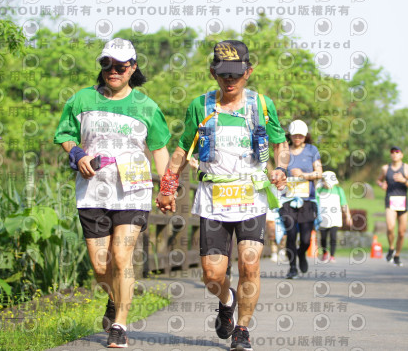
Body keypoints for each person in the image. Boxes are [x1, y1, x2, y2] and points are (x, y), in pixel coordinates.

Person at [156, 40, 289, 351]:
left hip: (252, 196)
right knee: (213, 274)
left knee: (250, 263)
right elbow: (181, 148)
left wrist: (281, 168)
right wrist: (167, 186)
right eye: (223, 74)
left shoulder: (262, 106)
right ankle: (226, 300)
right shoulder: (200, 107)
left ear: (248, 72)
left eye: (236, 75)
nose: (230, 81)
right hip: (213, 199)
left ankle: (242, 329)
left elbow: (280, 144)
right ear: (213, 72)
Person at [53, 38, 170, 348]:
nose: (113, 71)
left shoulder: (146, 106)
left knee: (121, 256)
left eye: (120, 66)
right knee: (101, 266)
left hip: (133, 190)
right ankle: (113, 298)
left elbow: (159, 149)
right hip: (92, 191)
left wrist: (167, 188)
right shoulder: (81, 99)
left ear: (132, 68)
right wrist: (77, 153)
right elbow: (64, 134)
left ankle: (120, 323)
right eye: (107, 64)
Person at [279, 120, 322, 279]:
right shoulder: (284, 151)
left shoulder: (312, 150)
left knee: (305, 238)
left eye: (301, 135)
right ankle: (292, 268)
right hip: (288, 200)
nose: (297, 138)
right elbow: (278, 172)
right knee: (290, 233)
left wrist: (303, 175)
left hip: (307, 200)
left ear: (305, 136)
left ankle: (301, 253)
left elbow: (319, 173)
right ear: (290, 135)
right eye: (295, 135)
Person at [376, 145, 408, 267]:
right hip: (390, 201)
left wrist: (403, 180)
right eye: (392, 152)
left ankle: (397, 255)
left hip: (403, 201)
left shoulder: (407, 168)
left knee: (402, 232)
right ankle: (391, 248)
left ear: (401, 154)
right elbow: (378, 180)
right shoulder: (385, 168)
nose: (394, 154)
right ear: (390, 154)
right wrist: (381, 185)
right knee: (390, 227)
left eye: (397, 152)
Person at [316, 171, 352, 262]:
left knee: (333, 236)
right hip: (323, 218)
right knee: (323, 237)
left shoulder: (339, 190)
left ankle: (332, 255)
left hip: (335, 218)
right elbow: (315, 204)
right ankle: (324, 253)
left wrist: (348, 216)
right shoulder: (319, 190)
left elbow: (344, 204)